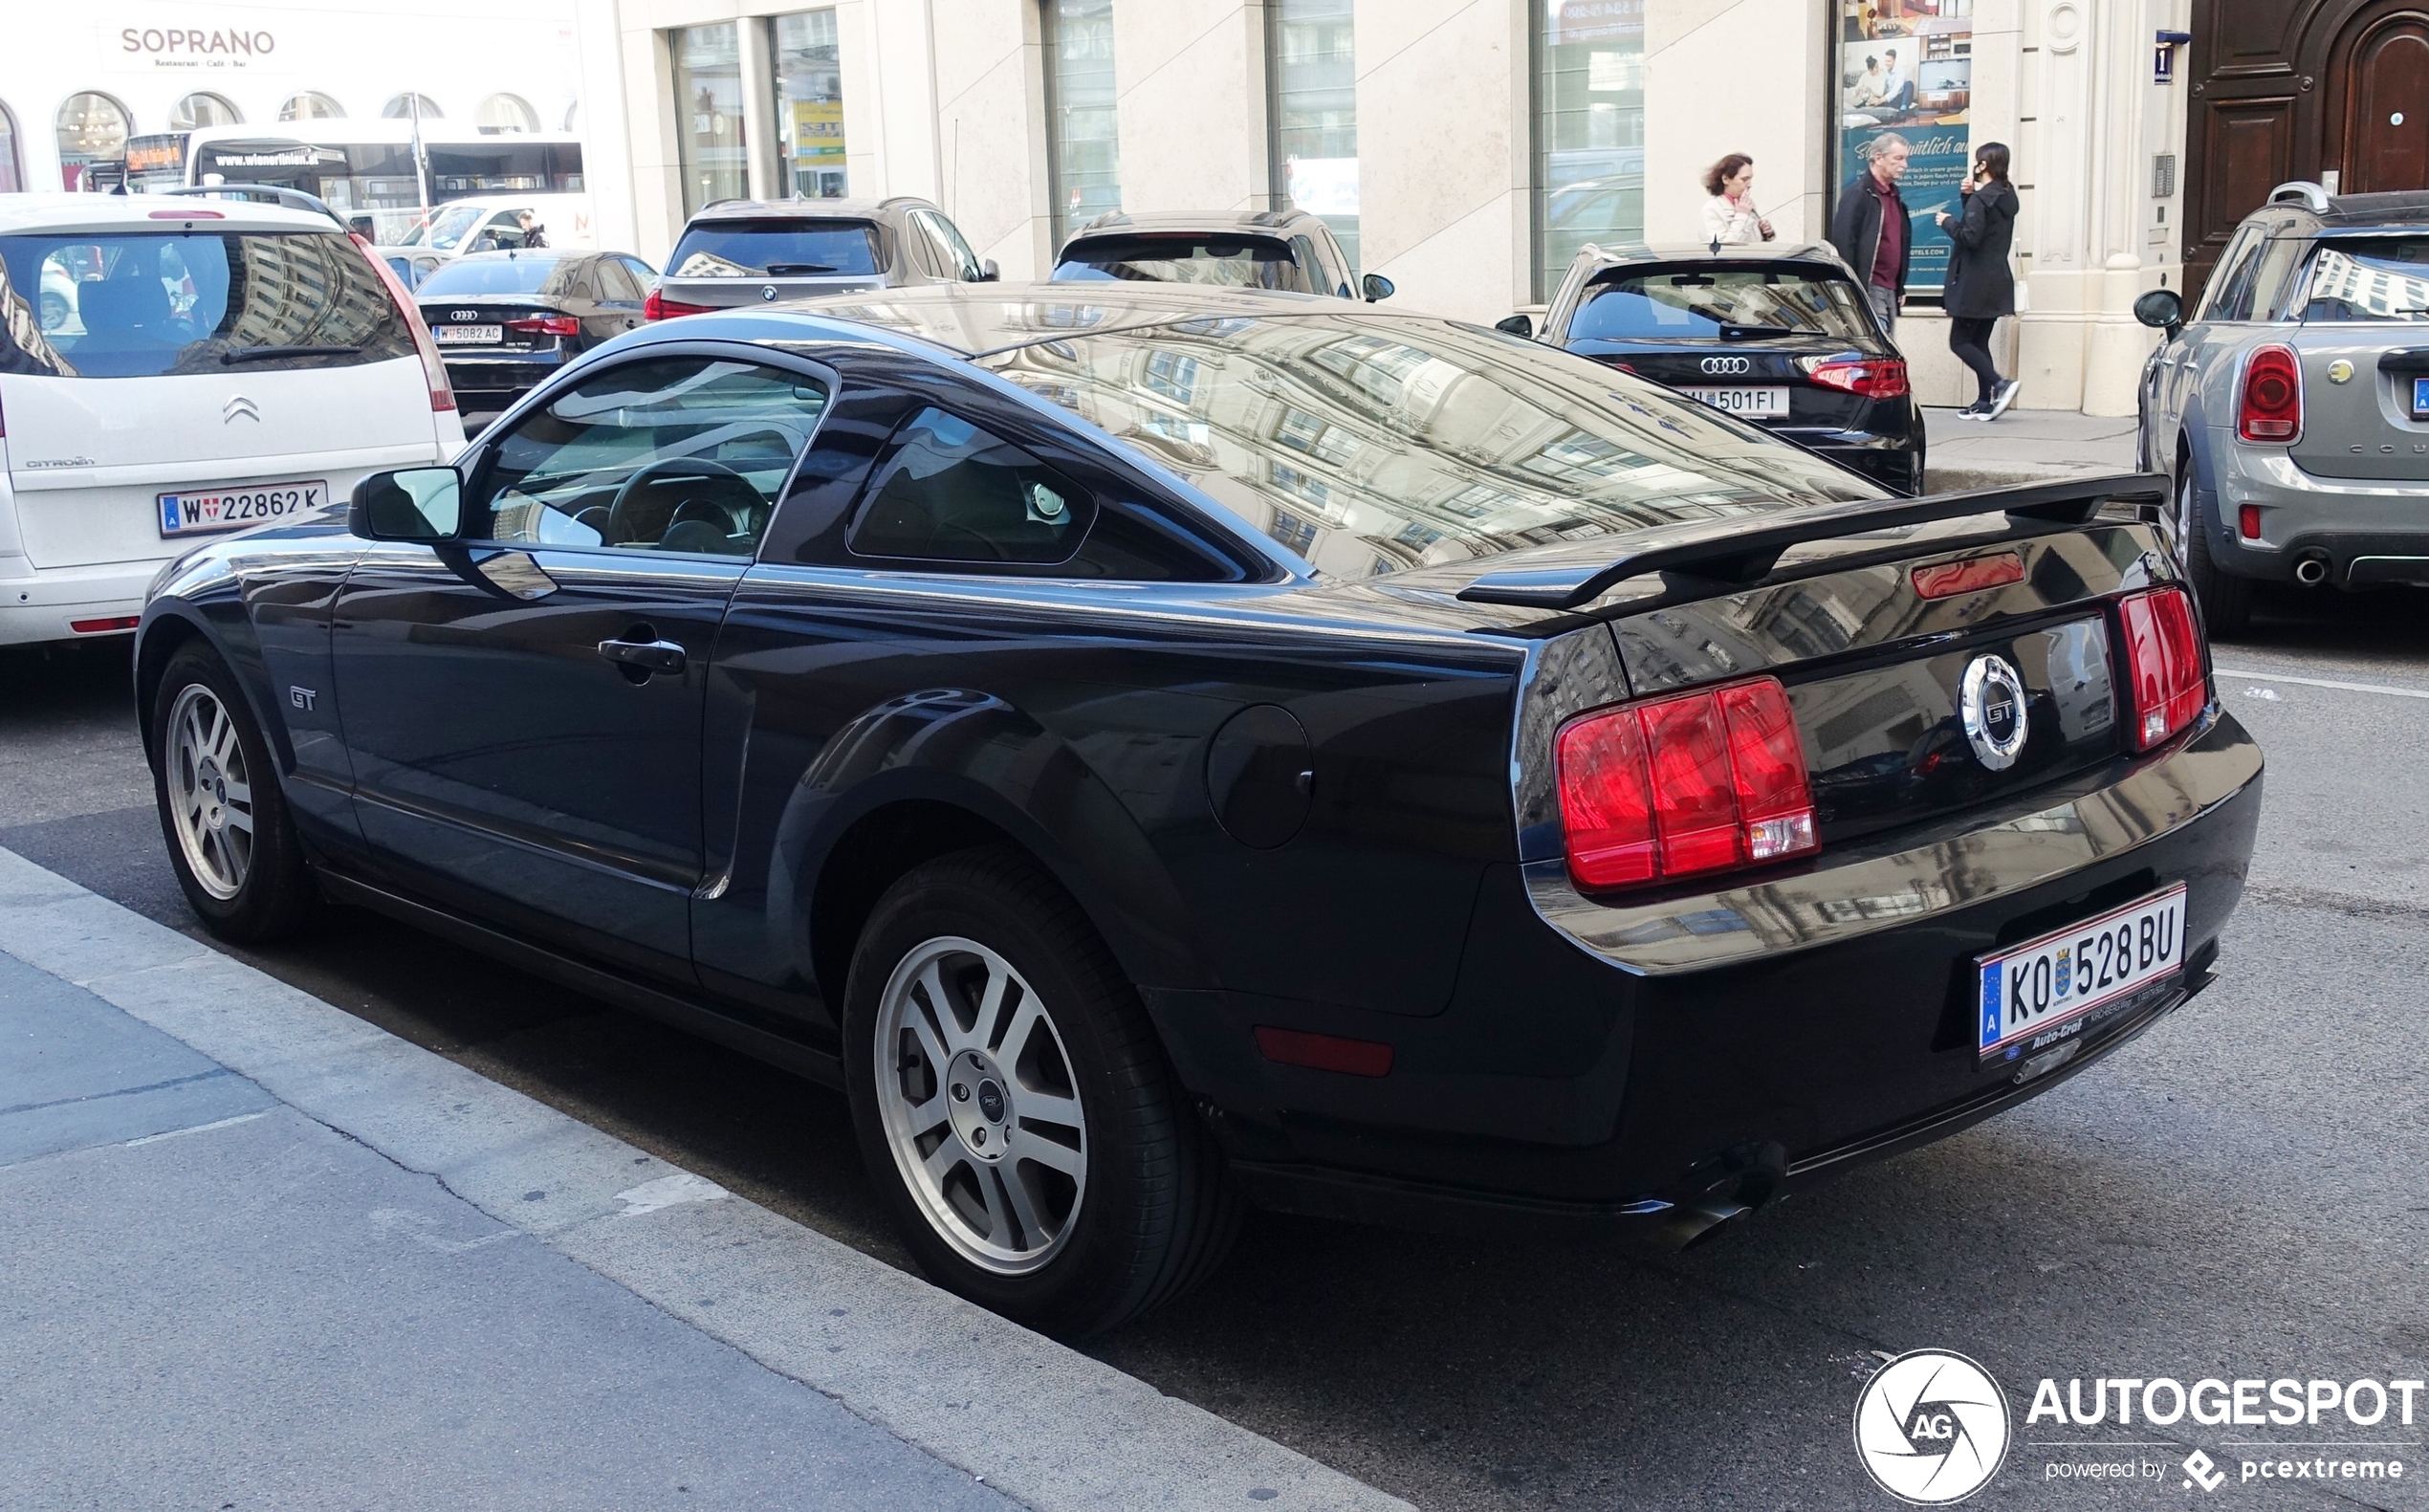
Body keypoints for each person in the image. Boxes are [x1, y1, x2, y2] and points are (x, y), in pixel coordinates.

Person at [1938, 142, 2022, 419]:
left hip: (1974, 282)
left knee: (1960, 342)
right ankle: (1984, 401)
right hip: (1997, 280)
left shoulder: (1981, 199)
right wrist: (1968, 198)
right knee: (1979, 341)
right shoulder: (2004, 196)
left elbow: (1970, 237)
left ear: (1983, 165)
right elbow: (1985, 229)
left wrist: (1948, 222)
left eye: (1977, 161)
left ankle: (2001, 384)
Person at [1828, 133, 1912, 338]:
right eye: (1898, 159)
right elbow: (1843, 243)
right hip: (1868, 286)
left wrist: (1900, 286)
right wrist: (1852, 290)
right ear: (1878, 157)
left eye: (1906, 159)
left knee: (1886, 345)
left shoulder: (1894, 195)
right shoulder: (1859, 194)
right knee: (1878, 345)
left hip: (1889, 288)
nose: (1905, 165)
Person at [1701, 154, 1776, 246]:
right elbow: (1722, 249)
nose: (1749, 185)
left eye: (1750, 179)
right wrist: (1742, 216)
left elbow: (1750, 242)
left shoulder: (1746, 203)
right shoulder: (1712, 209)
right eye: (1744, 179)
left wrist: (1765, 233)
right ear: (1725, 179)